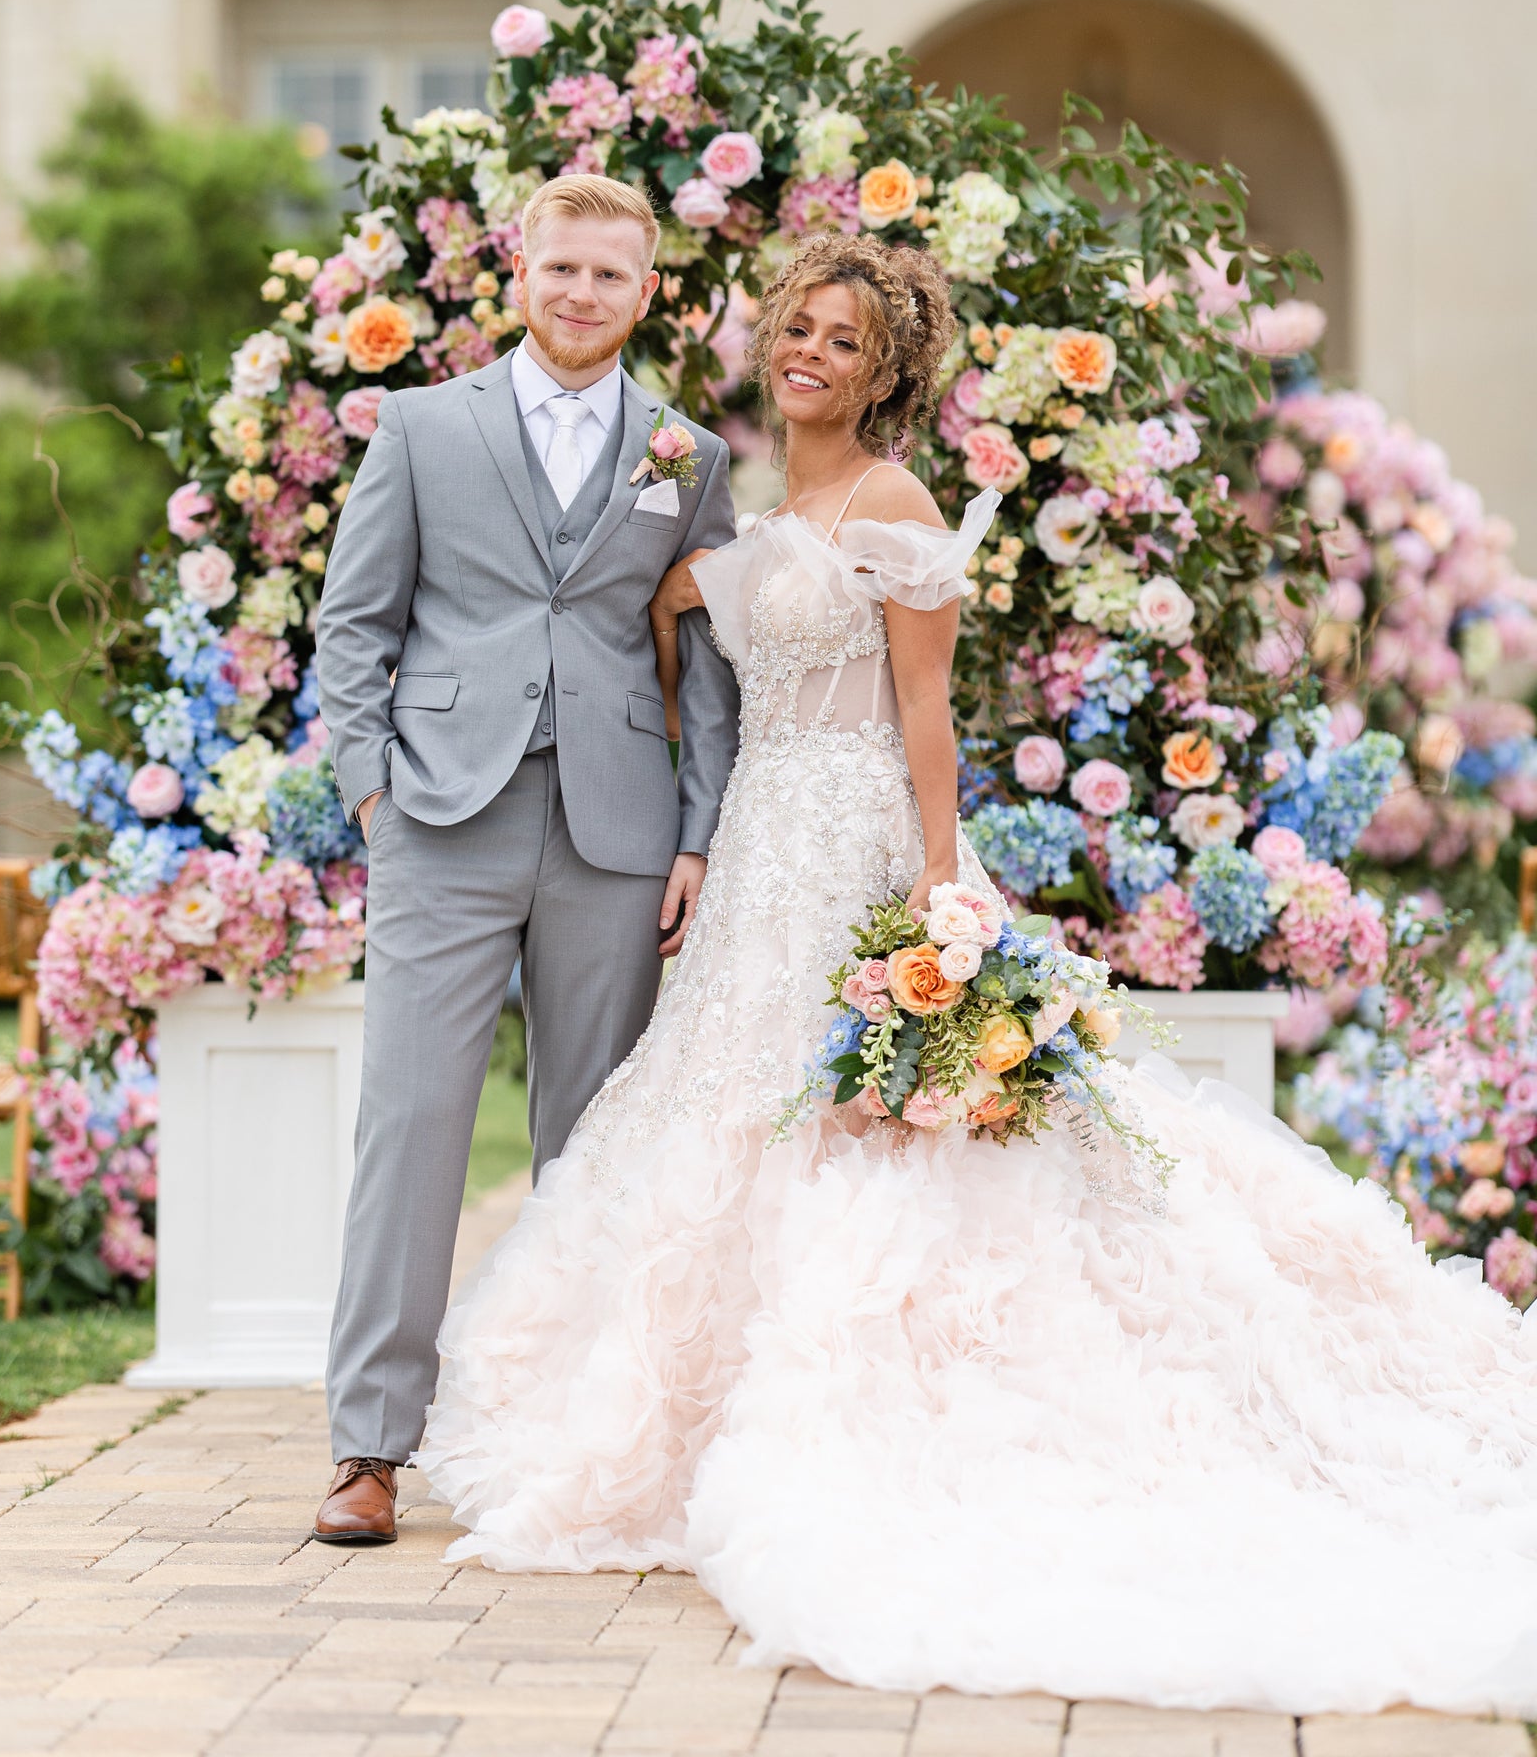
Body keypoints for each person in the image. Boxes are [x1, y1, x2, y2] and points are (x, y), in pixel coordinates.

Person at [417, 227, 1537, 1716]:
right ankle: (674, 1425)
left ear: (886, 376)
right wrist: (692, 601)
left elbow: (924, 718)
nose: (812, 351)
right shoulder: (767, 500)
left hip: (864, 843)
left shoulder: (895, 503)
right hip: (760, 850)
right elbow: (705, 667)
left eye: (847, 340)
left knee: (862, 1132)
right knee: (723, 1108)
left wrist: (944, 899)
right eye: (798, 328)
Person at [311, 173, 741, 1547]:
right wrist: (374, 792)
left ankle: (562, 1441)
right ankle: (370, 1445)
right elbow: (354, 625)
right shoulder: (426, 428)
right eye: (562, 268)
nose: (582, 294)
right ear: (519, 269)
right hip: (440, 818)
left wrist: (695, 833)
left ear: (647, 291)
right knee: (412, 1127)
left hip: (615, 832)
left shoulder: (685, 457)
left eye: (611, 276)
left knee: (592, 1141)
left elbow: (706, 662)